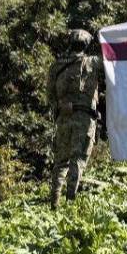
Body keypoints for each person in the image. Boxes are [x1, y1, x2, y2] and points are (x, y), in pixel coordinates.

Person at [47, 29, 102, 207]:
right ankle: (70, 202)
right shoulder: (93, 62)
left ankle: (54, 202)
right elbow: (114, 64)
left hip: (63, 118)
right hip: (84, 118)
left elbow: (50, 95)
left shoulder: (56, 67)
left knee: (60, 162)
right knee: (78, 160)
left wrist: (60, 109)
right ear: (86, 44)